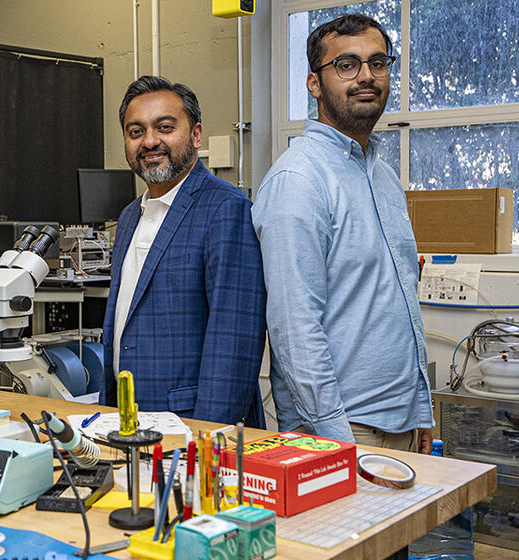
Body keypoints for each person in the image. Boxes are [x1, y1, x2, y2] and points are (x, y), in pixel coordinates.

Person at [251, 14, 433, 452]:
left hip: (402, 423)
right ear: (314, 83)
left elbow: (398, 301)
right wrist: (338, 443)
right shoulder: (299, 180)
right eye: (347, 65)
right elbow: (296, 331)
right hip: (344, 431)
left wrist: (421, 412)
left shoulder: (384, 177)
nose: (366, 76)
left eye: (378, 62)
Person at [99, 75, 266, 427]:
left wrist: (209, 438)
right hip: (129, 417)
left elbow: (234, 343)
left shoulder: (226, 209)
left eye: (164, 127)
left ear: (195, 134)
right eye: (136, 131)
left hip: (192, 426)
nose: (150, 141)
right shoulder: (130, 216)